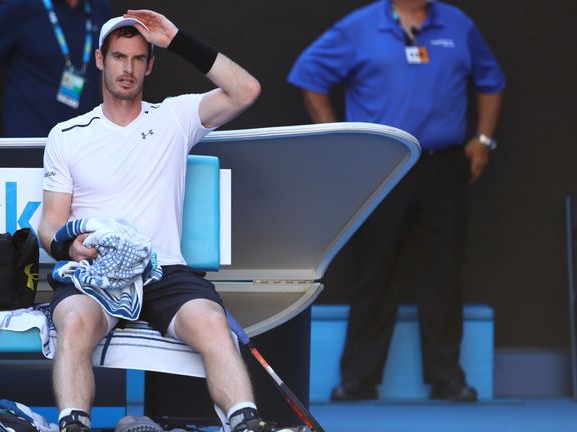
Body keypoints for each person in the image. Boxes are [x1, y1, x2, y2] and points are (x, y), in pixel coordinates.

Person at [37, 9, 268, 432]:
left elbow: (246, 90)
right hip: (95, 272)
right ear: (100, 59)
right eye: (119, 57)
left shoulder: (174, 118)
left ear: (150, 64)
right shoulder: (67, 135)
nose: (128, 69)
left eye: (138, 59)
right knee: (71, 321)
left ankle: (244, 422)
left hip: (164, 270)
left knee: (215, 323)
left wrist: (178, 39)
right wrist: (68, 246)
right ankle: (73, 424)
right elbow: (50, 223)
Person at [287, 0, 505, 402]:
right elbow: (309, 75)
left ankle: (447, 378)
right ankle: (358, 379)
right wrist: (341, 137)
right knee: (374, 272)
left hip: (443, 165)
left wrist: (484, 140)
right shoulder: (360, 26)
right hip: (383, 165)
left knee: (443, 274)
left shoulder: (458, 24)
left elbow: (491, 81)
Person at [0, 0, 112, 137]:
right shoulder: (20, 6)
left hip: (84, 146)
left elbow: (106, 74)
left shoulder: (100, 7)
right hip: (29, 146)